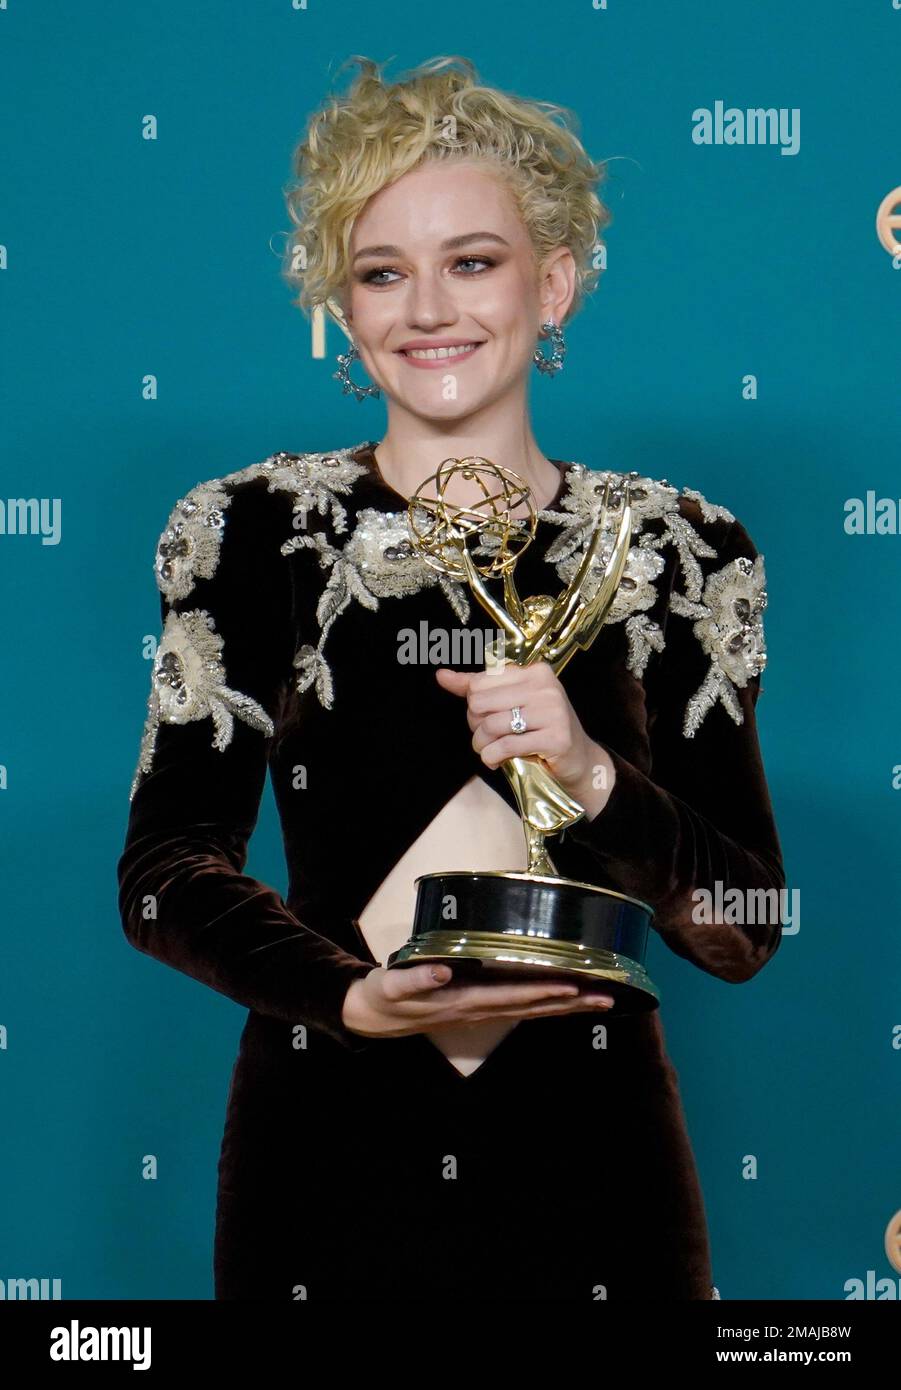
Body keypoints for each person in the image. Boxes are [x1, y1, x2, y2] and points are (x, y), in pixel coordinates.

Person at [117, 54, 784, 1301]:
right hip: (325, 1148)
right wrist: (344, 995)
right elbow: (161, 875)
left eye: (472, 261)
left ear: (557, 283)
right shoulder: (247, 530)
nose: (429, 307)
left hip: (595, 1167)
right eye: (383, 272)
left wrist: (590, 774)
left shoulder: (683, 550)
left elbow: (747, 927)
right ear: (343, 307)